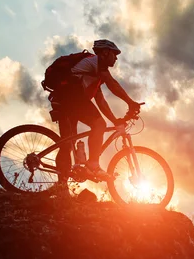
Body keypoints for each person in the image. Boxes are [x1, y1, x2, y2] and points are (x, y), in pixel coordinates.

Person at [53, 39, 141, 181]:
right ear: (105, 53)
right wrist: (130, 102)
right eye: (114, 54)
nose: (116, 57)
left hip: (65, 100)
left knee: (66, 144)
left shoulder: (93, 75)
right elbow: (113, 84)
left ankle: (61, 187)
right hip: (71, 97)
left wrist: (114, 121)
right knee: (99, 124)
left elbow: (101, 102)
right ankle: (93, 164)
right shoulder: (95, 61)